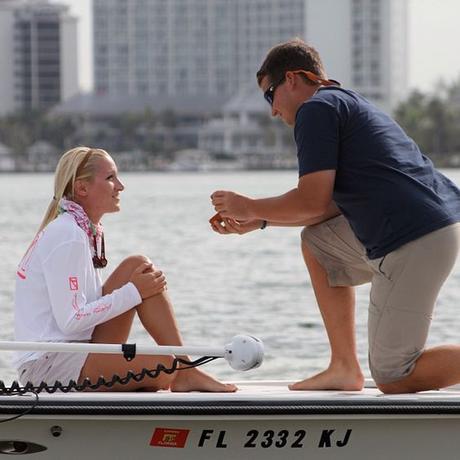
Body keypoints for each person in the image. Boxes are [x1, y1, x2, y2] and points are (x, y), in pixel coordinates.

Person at [210, 38, 460, 394]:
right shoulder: (347, 102)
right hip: (429, 227)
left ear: (293, 79)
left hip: (414, 238)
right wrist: (263, 220)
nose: (273, 111)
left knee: (393, 375)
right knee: (319, 244)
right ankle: (343, 366)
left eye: (270, 95)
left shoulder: (316, 110)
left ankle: (355, 368)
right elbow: (329, 207)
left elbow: (311, 202)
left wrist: (248, 206)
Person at [15, 146, 236, 392]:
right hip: (49, 366)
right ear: (82, 188)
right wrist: (133, 292)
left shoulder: (79, 230)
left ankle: (187, 370)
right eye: (110, 178)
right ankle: (182, 372)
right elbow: (71, 321)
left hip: (76, 349)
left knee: (138, 266)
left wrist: (136, 288)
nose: (120, 186)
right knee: (163, 367)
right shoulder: (67, 234)